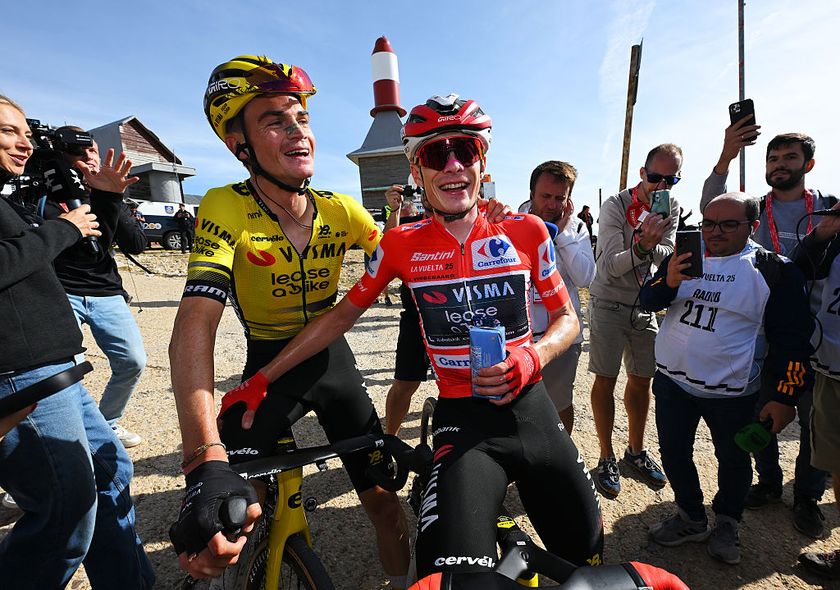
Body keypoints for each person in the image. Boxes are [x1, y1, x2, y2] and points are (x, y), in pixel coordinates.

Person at [229, 94, 604, 580]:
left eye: (465, 151)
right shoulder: (400, 244)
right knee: (447, 575)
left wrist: (533, 358)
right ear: (416, 168)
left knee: (590, 559)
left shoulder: (526, 229)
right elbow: (339, 317)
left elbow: (568, 319)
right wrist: (264, 376)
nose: (452, 165)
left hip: (531, 412)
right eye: (434, 154)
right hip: (463, 424)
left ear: (481, 161)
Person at [168, 55, 409, 587]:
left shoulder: (340, 209)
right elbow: (194, 322)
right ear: (240, 146)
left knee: (387, 510)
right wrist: (204, 456)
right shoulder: (223, 206)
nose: (298, 132)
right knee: (233, 517)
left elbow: (401, 257)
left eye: (301, 118)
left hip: (333, 367)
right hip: (266, 371)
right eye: (275, 121)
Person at [0, 95, 154, 588]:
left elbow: (93, 241)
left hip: (52, 368)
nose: (24, 143)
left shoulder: (9, 198)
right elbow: (41, 247)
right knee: (65, 514)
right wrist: (57, 230)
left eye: (26, 133)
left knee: (110, 474)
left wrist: (103, 199)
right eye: (8, 131)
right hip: (20, 374)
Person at [640, 192, 813, 565]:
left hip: (732, 393)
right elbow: (647, 300)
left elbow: (794, 342)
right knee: (673, 453)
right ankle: (690, 516)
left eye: (728, 224)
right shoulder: (684, 255)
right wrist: (667, 281)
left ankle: (728, 521)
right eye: (708, 223)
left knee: (733, 461)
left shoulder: (774, 270)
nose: (714, 232)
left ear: (752, 226)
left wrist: (784, 396)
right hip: (672, 383)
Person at [701, 129, 834, 538]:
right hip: (759, 332)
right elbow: (710, 203)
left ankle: (808, 497)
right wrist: (727, 152)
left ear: (807, 165)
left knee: (815, 418)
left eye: (789, 158)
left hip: (820, 336)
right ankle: (769, 482)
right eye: (773, 158)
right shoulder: (753, 208)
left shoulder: (829, 209)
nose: (779, 164)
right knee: (761, 409)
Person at [39, 127, 148, 448]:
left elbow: (137, 243)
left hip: (107, 292)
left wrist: (109, 196)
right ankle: (62, 440)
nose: (89, 159)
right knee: (59, 374)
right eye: (79, 153)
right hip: (61, 293)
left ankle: (107, 422)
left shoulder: (105, 192)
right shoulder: (40, 196)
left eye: (93, 152)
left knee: (132, 362)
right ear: (60, 158)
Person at [587, 144, 681, 498]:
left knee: (643, 380)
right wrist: (643, 248)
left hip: (644, 305)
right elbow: (609, 265)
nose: (661, 186)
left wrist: (646, 248)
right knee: (606, 380)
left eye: (670, 179)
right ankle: (606, 455)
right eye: (655, 177)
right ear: (642, 173)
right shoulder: (615, 205)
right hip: (609, 301)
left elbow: (668, 254)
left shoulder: (670, 205)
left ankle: (635, 451)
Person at [519, 160, 595, 432]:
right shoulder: (512, 223)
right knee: (519, 407)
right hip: (520, 337)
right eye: (545, 196)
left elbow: (585, 277)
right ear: (531, 194)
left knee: (559, 403)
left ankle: (559, 461)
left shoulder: (577, 228)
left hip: (562, 337)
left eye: (559, 198)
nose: (552, 205)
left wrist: (561, 234)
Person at [794, 201, 840, 580]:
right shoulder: (833, 235)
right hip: (830, 367)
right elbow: (800, 268)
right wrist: (825, 230)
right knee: (836, 460)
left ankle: (807, 497)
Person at [382, 184, 429, 435]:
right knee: (405, 383)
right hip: (416, 315)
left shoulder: (464, 216)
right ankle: (390, 438)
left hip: (453, 317)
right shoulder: (411, 220)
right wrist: (394, 210)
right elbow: (385, 251)